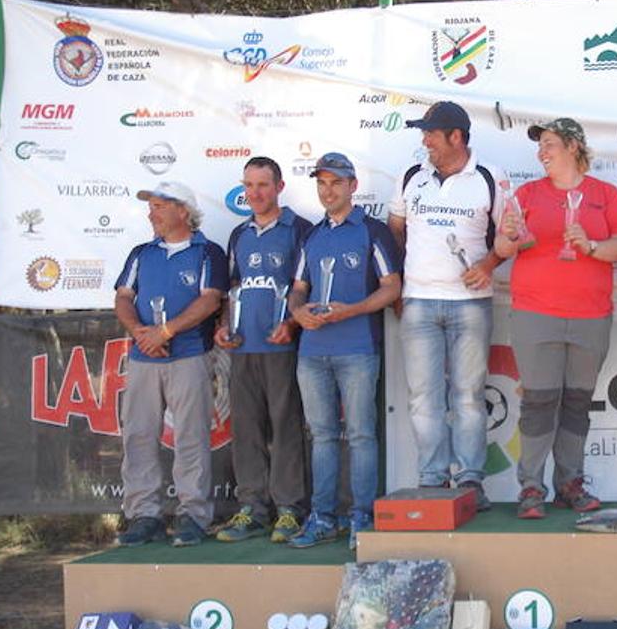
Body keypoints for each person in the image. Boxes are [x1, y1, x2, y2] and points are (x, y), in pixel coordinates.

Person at [494, 118, 617, 519]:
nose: (542, 152)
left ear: (574, 146)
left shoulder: (605, 194)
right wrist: (510, 235)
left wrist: (589, 246)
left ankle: (570, 483)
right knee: (539, 402)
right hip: (536, 313)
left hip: (591, 314)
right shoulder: (527, 194)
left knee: (576, 403)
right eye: (541, 146)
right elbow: (505, 247)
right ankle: (531, 487)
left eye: (550, 143)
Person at [389, 101, 503, 510]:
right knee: (423, 397)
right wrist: (404, 282)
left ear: (456, 136)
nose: (425, 141)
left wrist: (488, 264)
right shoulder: (410, 176)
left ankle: (471, 479)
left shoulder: (489, 177)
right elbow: (396, 229)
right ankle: (433, 480)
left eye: (431, 134)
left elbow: (508, 236)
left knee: (469, 395)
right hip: (419, 301)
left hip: (471, 304)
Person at [287, 152, 402, 549]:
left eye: (336, 182)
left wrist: (350, 311)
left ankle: (361, 517)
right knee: (321, 436)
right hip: (312, 350)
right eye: (321, 183)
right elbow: (298, 288)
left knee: (360, 435)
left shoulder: (372, 231)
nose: (328, 190)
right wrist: (298, 313)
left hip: (357, 348)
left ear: (353, 186)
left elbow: (392, 287)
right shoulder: (312, 235)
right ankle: (323, 517)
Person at [113, 181, 227, 548]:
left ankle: (192, 514)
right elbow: (123, 298)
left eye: (159, 206)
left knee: (191, 436)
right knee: (139, 435)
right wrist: (141, 333)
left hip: (190, 355)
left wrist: (165, 332)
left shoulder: (208, 252)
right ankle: (144, 515)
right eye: (151, 207)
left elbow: (210, 302)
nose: (152, 213)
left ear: (183, 211)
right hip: (143, 358)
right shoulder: (141, 254)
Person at [213, 157, 313, 543]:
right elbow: (233, 288)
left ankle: (289, 508)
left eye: (263, 185)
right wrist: (223, 325)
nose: (255, 193)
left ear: (279, 187)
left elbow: (306, 289)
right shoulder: (239, 235)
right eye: (249, 186)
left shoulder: (298, 230)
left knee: (287, 426)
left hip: (281, 346)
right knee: (246, 429)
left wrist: (290, 325)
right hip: (242, 348)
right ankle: (252, 508)